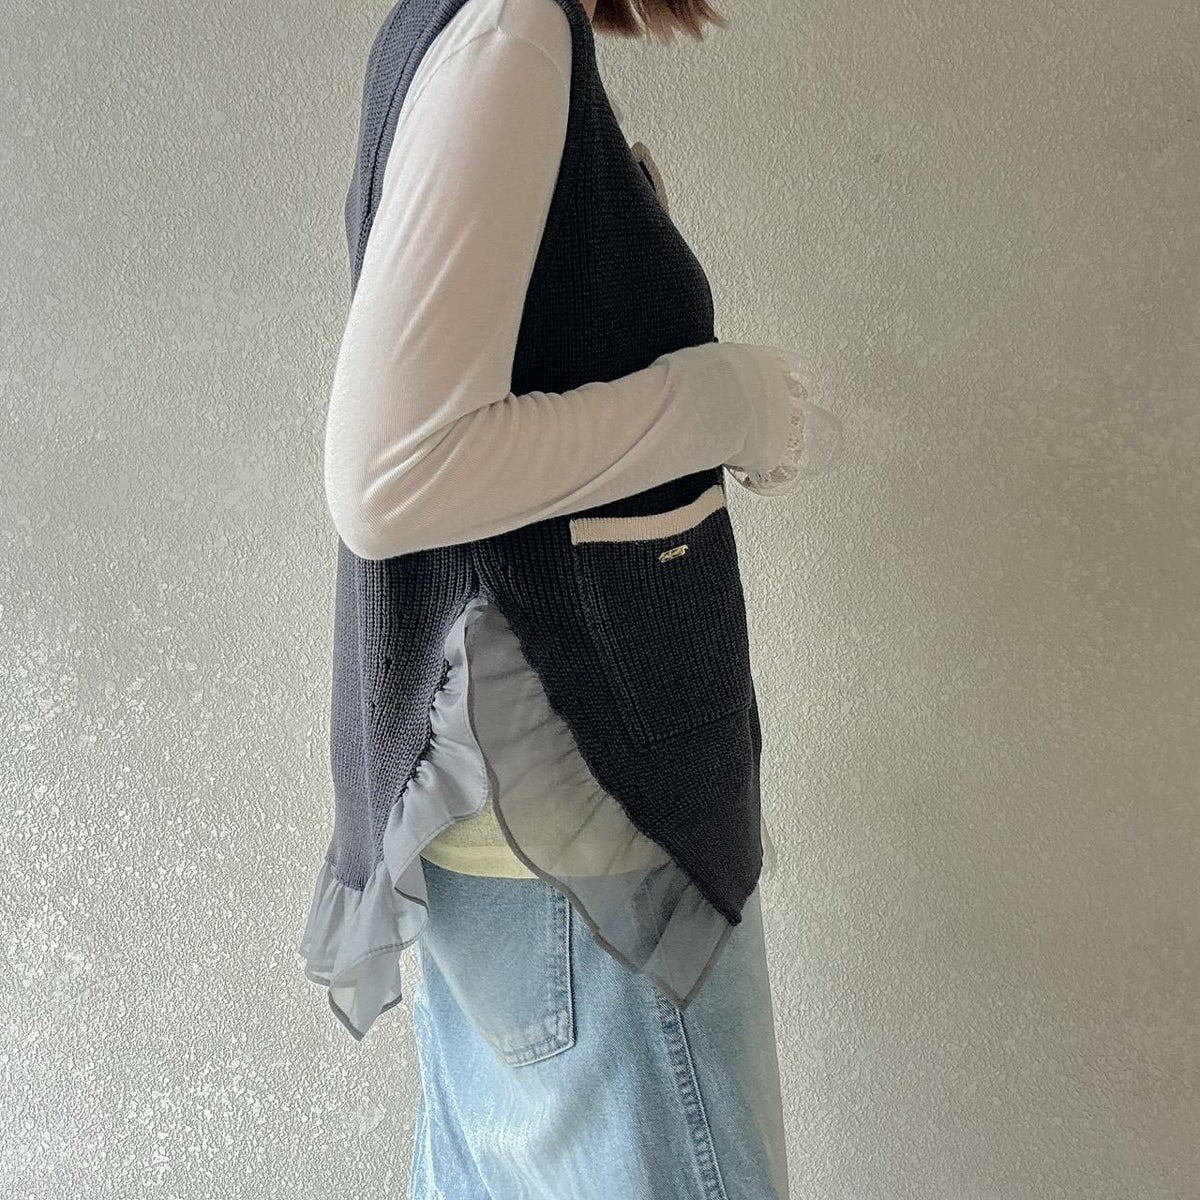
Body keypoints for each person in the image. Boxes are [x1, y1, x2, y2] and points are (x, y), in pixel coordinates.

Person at [301, 0, 841, 1195]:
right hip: (588, 840)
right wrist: (720, 402)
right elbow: (389, 477)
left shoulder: (481, 24)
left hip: (539, 833)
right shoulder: (511, 31)